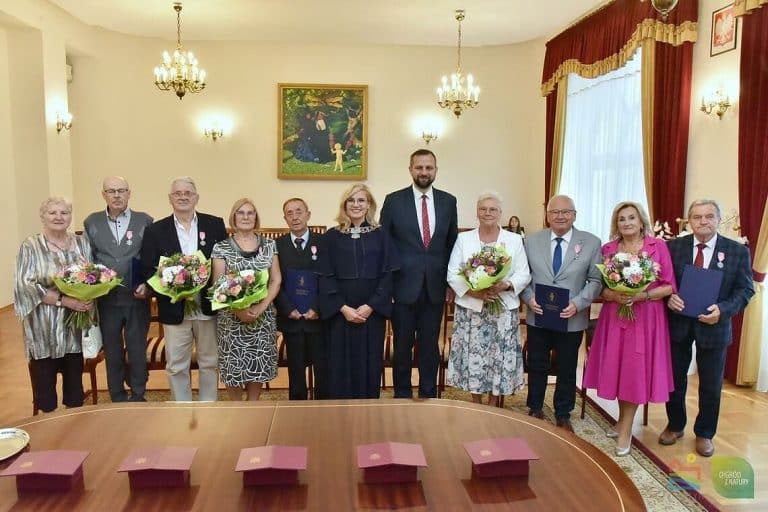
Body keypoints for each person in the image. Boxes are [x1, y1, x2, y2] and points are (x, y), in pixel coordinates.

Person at [662, 199, 754, 457]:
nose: (703, 221)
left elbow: (746, 289)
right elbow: (662, 282)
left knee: (711, 385)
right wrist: (669, 297)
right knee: (675, 380)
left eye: (709, 216)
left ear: (718, 219)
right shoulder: (673, 248)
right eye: (697, 216)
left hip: (714, 327)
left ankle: (704, 433)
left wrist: (723, 311)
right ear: (689, 221)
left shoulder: (737, 251)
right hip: (678, 324)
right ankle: (675, 425)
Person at [582, 201, 675, 456]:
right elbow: (597, 285)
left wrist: (642, 295)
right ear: (616, 224)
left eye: (631, 217)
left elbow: (669, 286)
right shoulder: (608, 249)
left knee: (634, 371)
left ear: (641, 220)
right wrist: (612, 294)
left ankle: (625, 430)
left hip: (646, 318)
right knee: (620, 369)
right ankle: (622, 421)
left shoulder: (658, 247)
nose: (627, 223)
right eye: (621, 219)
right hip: (615, 316)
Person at [380, 149, 458, 399]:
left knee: (429, 347)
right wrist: (388, 286)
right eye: (419, 167)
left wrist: (450, 283)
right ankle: (401, 395)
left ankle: (428, 394)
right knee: (401, 347)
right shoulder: (393, 201)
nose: (424, 172)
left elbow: (451, 244)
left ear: (436, 170)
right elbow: (385, 245)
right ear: (410, 169)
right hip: (402, 288)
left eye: (429, 168)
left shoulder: (448, 201)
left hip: (434, 288)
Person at [520, 194, 602, 432]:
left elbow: (595, 280)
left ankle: (563, 412)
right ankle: (535, 407)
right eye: (555, 212)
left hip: (572, 317)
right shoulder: (532, 241)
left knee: (567, 367)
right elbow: (523, 275)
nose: (560, 216)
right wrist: (528, 297)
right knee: (537, 364)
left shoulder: (591, 242)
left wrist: (578, 303)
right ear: (547, 215)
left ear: (574, 215)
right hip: (538, 315)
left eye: (566, 212)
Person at [141, 177, 227, 401]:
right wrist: (173, 287)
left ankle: (209, 407)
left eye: (188, 193)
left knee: (210, 361)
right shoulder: (155, 230)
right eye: (177, 193)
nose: (183, 197)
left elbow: (224, 261)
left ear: (196, 198)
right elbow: (148, 269)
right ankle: (182, 408)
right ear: (170, 199)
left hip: (206, 304)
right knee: (177, 363)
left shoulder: (214, 225)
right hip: (174, 306)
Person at [446, 193, 530, 406]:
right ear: (477, 212)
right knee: (473, 358)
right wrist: (475, 291)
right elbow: (453, 272)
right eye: (483, 209)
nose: (488, 213)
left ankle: (493, 403)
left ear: (500, 213)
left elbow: (523, 273)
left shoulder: (514, 240)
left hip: (502, 309)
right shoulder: (464, 239)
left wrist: (505, 284)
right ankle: (476, 401)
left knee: (497, 357)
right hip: (471, 309)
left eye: (493, 209)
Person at [317, 184, 396, 399]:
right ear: (344, 205)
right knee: (339, 365)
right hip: (340, 313)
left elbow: (388, 274)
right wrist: (343, 308)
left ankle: (367, 413)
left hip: (370, 312)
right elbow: (325, 276)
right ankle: (339, 417)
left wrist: (371, 306)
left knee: (368, 364)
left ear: (369, 204)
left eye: (361, 200)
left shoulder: (381, 235)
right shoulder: (332, 236)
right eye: (351, 200)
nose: (356, 205)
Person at [14, 197, 92, 412]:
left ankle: (74, 427)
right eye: (53, 213)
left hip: (72, 326)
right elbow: (24, 285)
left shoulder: (81, 242)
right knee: (45, 388)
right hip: (42, 327)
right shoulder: (30, 246)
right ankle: (47, 430)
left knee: (74, 386)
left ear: (70, 216)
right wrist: (65, 300)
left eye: (64, 213)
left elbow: (92, 275)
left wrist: (87, 297)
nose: (59, 217)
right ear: (43, 216)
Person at [83, 176, 153, 402]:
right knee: (112, 351)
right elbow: (87, 260)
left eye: (121, 190)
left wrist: (148, 287)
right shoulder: (91, 222)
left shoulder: (145, 221)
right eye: (111, 191)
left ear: (129, 193)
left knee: (136, 350)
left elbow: (152, 258)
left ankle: (138, 393)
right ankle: (117, 395)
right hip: (107, 300)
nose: (116, 195)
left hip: (136, 299)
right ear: (103, 194)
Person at [211, 199, 281, 401]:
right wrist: (239, 310)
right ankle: (236, 409)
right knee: (234, 368)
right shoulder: (221, 247)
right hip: (232, 319)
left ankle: (253, 407)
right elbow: (219, 283)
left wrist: (261, 307)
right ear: (233, 217)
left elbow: (276, 279)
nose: (246, 217)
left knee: (257, 365)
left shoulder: (269, 245)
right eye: (241, 213)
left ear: (256, 218)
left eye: (251, 213)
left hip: (262, 318)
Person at [275, 198, 326, 400]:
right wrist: (288, 309)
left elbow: (329, 279)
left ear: (308, 214)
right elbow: (273, 281)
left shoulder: (324, 242)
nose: (295, 217)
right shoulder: (276, 245)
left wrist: (318, 307)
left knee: (323, 370)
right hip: (292, 319)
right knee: (296, 371)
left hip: (319, 319)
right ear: (285, 218)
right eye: (289, 213)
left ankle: (324, 412)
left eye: (299, 211)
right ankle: (296, 412)